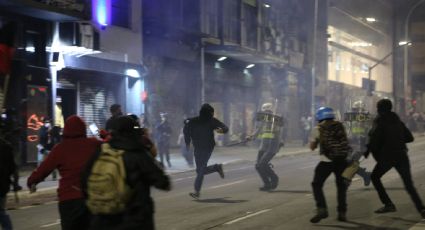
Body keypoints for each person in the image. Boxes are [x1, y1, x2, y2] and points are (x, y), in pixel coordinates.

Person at [83, 115, 171, 230]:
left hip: (103, 220)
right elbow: (163, 182)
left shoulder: (103, 151)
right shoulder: (138, 153)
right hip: (135, 220)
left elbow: (84, 180)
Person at [27, 115, 102, 230]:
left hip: (68, 199)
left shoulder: (60, 148)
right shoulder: (93, 144)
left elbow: (44, 167)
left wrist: (32, 181)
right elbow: (110, 144)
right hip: (91, 197)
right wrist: (104, 134)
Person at [365, 98, 425, 218]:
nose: (376, 110)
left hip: (387, 157)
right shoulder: (397, 121)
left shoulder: (379, 121)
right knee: (409, 185)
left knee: (375, 177)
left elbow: (374, 141)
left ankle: (388, 204)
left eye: (377, 108)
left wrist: (367, 151)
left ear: (380, 109)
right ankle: (422, 209)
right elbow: (410, 138)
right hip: (402, 155)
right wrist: (397, 140)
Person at [309, 107, 350, 223]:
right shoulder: (341, 126)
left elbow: (312, 147)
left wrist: (317, 142)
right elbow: (346, 141)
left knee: (317, 184)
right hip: (342, 160)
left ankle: (321, 209)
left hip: (326, 161)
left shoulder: (318, 129)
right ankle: (342, 213)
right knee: (341, 187)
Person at [184, 103, 228, 199]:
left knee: (201, 170)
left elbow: (225, 128)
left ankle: (196, 191)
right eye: (212, 112)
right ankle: (216, 167)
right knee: (199, 170)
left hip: (207, 147)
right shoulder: (198, 120)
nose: (212, 114)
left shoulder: (209, 121)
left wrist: (221, 130)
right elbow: (186, 129)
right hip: (198, 147)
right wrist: (187, 143)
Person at [247, 102, 284, 191]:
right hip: (263, 146)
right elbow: (258, 130)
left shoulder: (276, 120)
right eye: (264, 111)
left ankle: (274, 179)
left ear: (270, 111)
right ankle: (267, 184)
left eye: (267, 111)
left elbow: (280, 127)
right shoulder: (263, 119)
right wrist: (251, 137)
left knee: (262, 164)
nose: (265, 113)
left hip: (272, 146)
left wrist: (274, 119)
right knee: (258, 166)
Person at [0, 127, 17, 230]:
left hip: (2, 184)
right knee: (1, 210)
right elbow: (13, 168)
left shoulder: (6, 147)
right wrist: (15, 183)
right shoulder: (7, 147)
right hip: (3, 185)